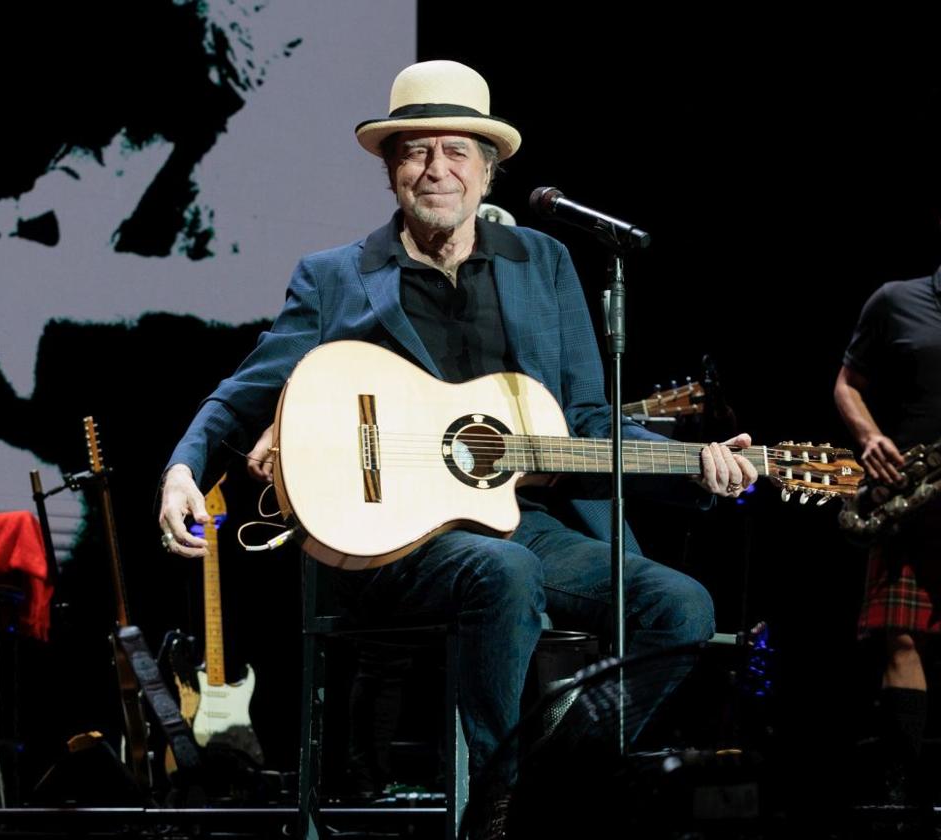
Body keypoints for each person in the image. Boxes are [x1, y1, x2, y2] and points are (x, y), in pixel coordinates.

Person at [156, 60, 757, 836]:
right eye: (415, 151)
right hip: (386, 544)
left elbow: (585, 420)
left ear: (488, 168)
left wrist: (697, 471)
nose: (436, 169)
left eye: (457, 152)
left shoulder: (543, 263)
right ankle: (499, 808)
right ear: (390, 168)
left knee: (681, 605)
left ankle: (556, 780)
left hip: (523, 522)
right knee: (502, 573)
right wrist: (182, 469)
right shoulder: (338, 276)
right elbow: (245, 390)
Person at [834, 260, 941, 809]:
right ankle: (900, 797)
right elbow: (848, 383)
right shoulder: (897, 300)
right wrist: (871, 437)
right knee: (901, 635)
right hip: (912, 495)